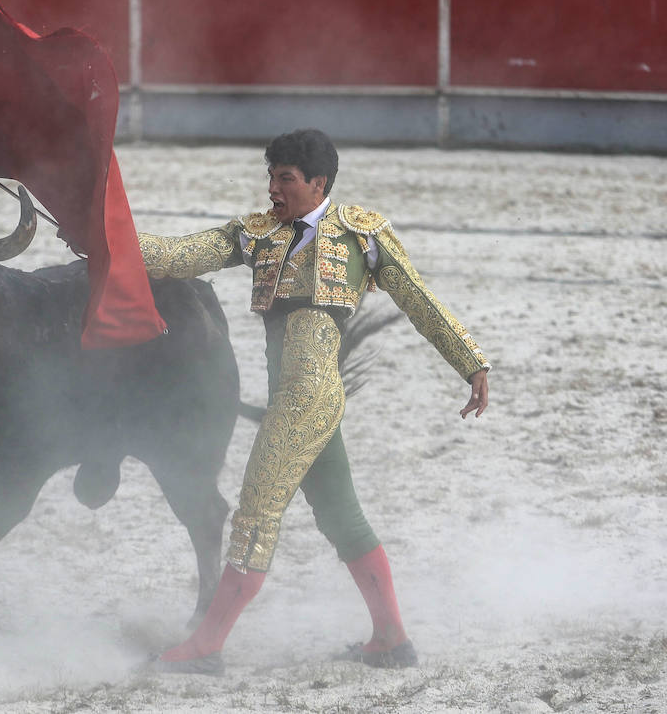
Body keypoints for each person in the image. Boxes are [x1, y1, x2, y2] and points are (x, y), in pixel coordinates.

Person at [139, 128, 491, 675]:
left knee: (256, 512)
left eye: (285, 179)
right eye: (271, 177)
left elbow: (419, 301)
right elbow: (178, 255)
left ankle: (207, 645)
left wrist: (471, 361)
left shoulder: (361, 235)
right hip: (301, 395)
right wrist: (108, 236)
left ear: (317, 182)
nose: (273, 189)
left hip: (309, 396)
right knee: (340, 514)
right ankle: (391, 639)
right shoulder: (257, 233)